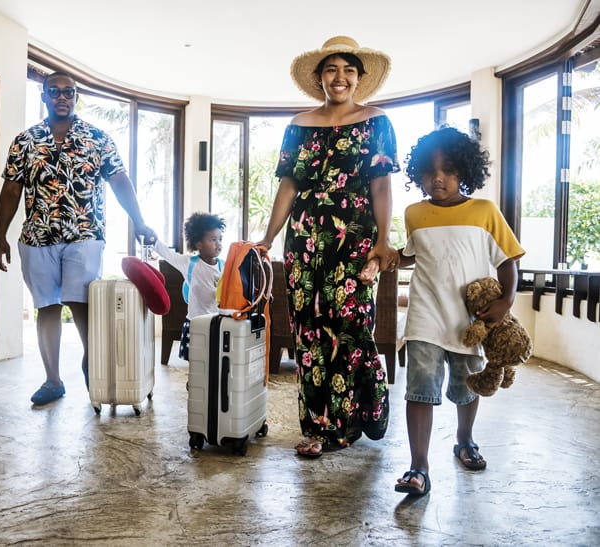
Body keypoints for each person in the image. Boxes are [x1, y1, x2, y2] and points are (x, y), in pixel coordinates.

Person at [257, 36, 400, 458]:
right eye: (332, 70)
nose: (340, 78)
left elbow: (381, 184)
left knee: (351, 327)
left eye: (348, 70)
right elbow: (288, 184)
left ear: (359, 78)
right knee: (309, 331)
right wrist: (268, 237)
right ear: (319, 77)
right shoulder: (298, 125)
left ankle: (359, 413)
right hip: (304, 241)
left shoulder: (377, 122)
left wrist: (383, 239)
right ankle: (319, 428)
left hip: (353, 240)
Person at [0, 71, 155, 407]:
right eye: (55, 91)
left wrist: (138, 221)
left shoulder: (98, 138)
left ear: (76, 96)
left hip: (84, 233)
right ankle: (53, 380)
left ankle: (91, 362)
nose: (62, 97)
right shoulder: (25, 141)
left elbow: (120, 181)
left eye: (69, 92)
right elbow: (11, 189)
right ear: (45, 96)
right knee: (46, 306)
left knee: (81, 300)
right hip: (37, 236)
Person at [393, 126, 525, 495]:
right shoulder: (414, 213)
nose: (438, 178)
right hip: (425, 315)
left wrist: (505, 303)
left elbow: (508, 260)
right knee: (419, 390)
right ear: (418, 174)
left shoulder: (484, 211)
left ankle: (465, 440)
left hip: (470, 321)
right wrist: (390, 257)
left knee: (467, 387)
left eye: (449, 169)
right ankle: (418, 467)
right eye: (430, 171)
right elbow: (413, 253)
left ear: (464, 171)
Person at [152, 212, 226, 361]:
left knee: (216, 361)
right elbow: (168, 254)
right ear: (199, 243)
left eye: (220, 239)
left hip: (218, 325)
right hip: (196, 324)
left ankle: (212, 384)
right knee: (196, 364)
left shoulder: (224, 266)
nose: (218, 243)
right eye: (213, 239)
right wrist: (153, 240)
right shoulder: (190, 263)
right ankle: (194, 385)